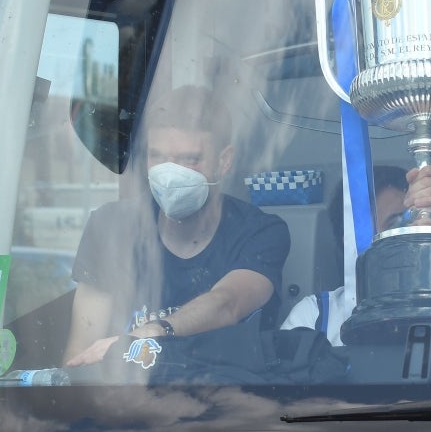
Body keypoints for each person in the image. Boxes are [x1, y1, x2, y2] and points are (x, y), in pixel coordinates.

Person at [64, 85, 290, 367]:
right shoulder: (110, 227)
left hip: (227, 391)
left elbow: (228, 303)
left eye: (189, 160)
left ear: (224, 161)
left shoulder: (260, 232)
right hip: (127, 391)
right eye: (157, 157)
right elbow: (81, 351)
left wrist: (154, 332)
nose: (170, 174)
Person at [280, 164, 431, 347]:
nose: (411, 233)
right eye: (394, 225)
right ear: (352, 242)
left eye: (415, 221)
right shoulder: (314, 317)